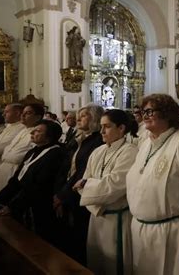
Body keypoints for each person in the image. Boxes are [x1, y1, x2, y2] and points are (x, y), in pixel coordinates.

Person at [126, 94, 179, 274]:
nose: (145, 115)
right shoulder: (146, 145)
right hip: (142, 231)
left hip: (174, 233)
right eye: (144, 111)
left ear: (167, 114)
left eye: (150, 111)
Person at [74, 109, 138, 275]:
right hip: (96, 216)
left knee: (114, 266)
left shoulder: (130, 152)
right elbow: (84, 181)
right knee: (96, 262)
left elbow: (114, 186)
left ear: (121, 128)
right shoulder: (98, 151)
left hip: (116, 219)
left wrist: (88, 184)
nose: (101, 131)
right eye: (101, 126)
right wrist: (90, 185)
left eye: (107, 127)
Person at [0, 120, 64, 244]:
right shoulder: (33, 151)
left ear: (49, 137)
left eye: (38, 131)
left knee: (41, 243)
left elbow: (40, 185)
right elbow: (17, 180)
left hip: (41, 206)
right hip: (26, 203)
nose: (32, 132)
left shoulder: (55, 154)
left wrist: (12, 207)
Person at [54, 104, 104, 265]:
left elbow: (83, 171)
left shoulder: (97, 141)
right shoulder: (80, 137)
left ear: (95, 118)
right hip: (68, 190)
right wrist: (58, 191)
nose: (78, 119)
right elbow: (66, 166)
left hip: (80, 193)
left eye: (83, 115)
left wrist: (63, 195)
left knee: (79, 234)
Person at [0, 104, 44, 193]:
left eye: (28, 113)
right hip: (6, 168)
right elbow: (8, 149)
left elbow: (21, 155)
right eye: (23, 113)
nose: (23, 115)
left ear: (38, 117)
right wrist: (0, 168)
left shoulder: (38, 133)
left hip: (16, 170)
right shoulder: (23, 130)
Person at [0, 104, 24, 193]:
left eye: (6, 112)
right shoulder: (9, 126)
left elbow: (0, 148)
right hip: (0, 165)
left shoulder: (20, 127)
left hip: (11, 168)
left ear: (17, 113)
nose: (3, 115)